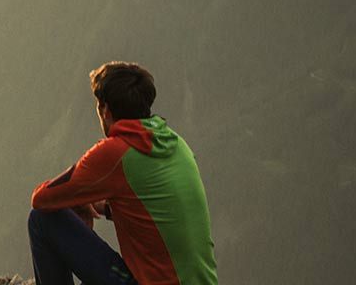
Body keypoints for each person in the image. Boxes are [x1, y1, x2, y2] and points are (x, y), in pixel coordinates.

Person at [28, 62, 217, 285]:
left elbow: (42, 199)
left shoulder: (116, 152)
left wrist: (78, 200)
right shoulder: (176, 144)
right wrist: (100, 206)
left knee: (41, 220)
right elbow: (154, 212)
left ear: (105, 110)